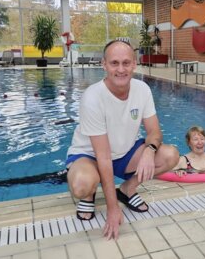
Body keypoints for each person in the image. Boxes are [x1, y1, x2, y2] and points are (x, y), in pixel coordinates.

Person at [66, 39, 179, 240]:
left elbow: (155, 131)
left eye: (126, 63)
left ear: (134, 64)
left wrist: (149, 150)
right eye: (114, 63)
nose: (121, 69)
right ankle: (90, 194)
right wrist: (112, 209)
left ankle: (127, 189)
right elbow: (103, 156)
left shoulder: (142, 89)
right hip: (90, 156)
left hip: (124, 153)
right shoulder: (93, 97)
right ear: (104, 65)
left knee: (170, 155)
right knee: (82, 184)